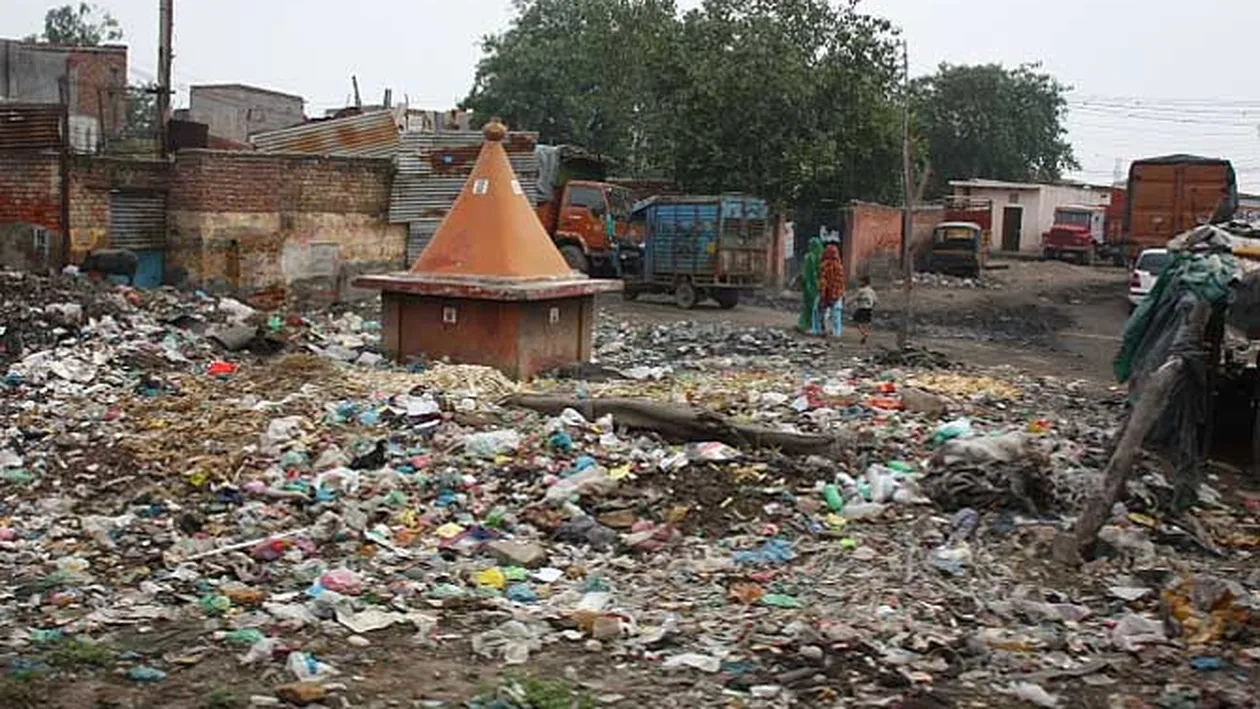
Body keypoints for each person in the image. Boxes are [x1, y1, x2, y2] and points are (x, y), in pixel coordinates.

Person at [819, 243, 845, 338]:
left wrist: (822, 292)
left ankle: (824, 330)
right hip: (837, 294)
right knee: (836, 314)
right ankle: (836, 333)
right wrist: (841, 293)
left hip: (827, 293)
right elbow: (841, 282)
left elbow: (823, 281)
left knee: (825, 313)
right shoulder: (839, 266)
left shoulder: (824, 265)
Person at [798, 237, 823, 334]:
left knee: (809, 306)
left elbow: (805, 273)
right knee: (815, 307)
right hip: (816, 285)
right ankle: (814, 326)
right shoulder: (820, 257)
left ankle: (805, 324)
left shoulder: (809, 257)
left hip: (809, 285)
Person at [851, 276, 877, 345]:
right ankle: (867, 333)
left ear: (864, 282)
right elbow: (875, 300)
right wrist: (873, 306)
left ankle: (864, 333)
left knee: (856, 321)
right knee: (867, 322)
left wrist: (847, 302)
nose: (859, 283)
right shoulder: (871, 291)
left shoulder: (861, 290)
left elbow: (855, 297)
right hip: (869, 308)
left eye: (861, 281)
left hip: (861, 308)